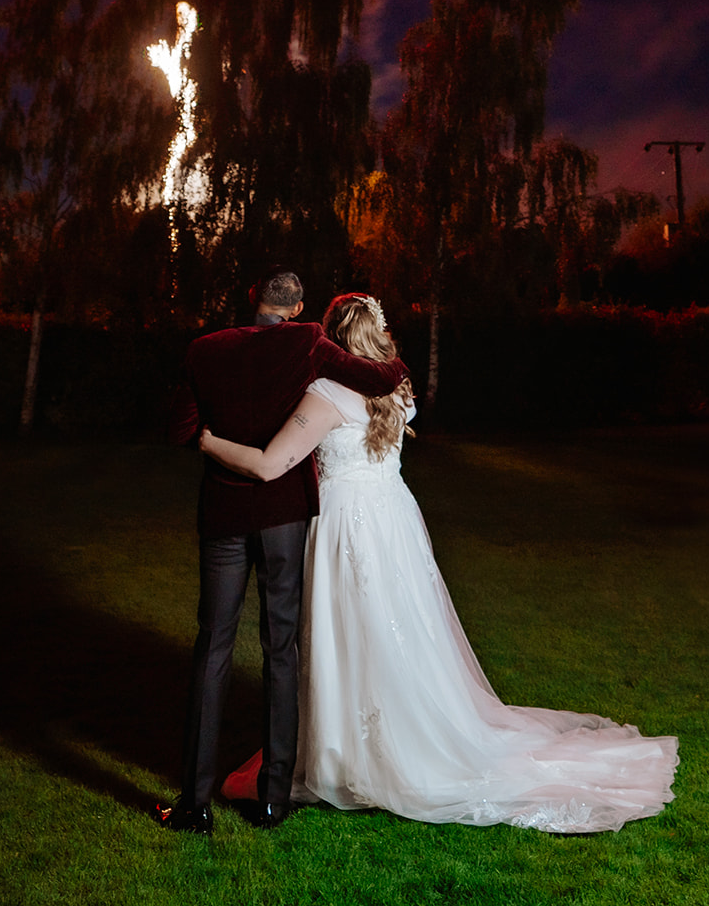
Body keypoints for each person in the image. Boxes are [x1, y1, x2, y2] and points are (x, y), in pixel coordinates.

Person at [201, 293, 679, 834]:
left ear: (331, 340)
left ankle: (349, 753)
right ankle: (385, 736)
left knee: (347, 634)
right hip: (392, 520)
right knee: (396, 632)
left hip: (345, 525)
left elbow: (269, 465)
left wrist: (210, 442)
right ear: (379, 337)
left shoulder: (326, 393)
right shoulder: (396, 390)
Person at [158, 271, 407, 834]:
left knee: (213, 645)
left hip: (224, 512)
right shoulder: (307, 341)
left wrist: (209, 437)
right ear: (296, 308)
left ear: (254, 299)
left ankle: (194, 804)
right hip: (282, 517)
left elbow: (179, 429)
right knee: (281, 648)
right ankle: (273, 799)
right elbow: (384, 374)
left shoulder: (204, 349)